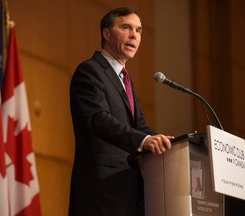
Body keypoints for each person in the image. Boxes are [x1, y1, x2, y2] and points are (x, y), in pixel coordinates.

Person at [69, 7, 173, 216]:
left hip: (129, 190)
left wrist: (170, 144)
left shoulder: (125, 79)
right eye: (126, 27)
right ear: (106, 34)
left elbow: (139, 126)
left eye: (139, 30)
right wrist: (143, 141)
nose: (134, 35)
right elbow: (98, 119)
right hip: (101, 190)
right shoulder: (90, 71)